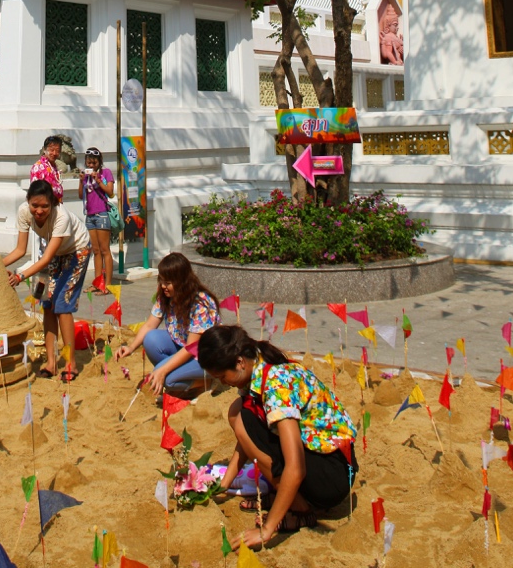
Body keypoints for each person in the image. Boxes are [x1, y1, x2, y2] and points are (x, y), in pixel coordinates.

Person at [197, 325, 358, 549]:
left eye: (222, 377)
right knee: (239, 412)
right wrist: (224, 483)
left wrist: (266, 530)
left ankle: (300, 509)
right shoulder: (257, 364)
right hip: (322, 458)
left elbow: (296, 467)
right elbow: (246, 439)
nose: (223, 383)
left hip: (333, 474)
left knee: (242, 418)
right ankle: (289, 497)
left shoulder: (276, 384)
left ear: (239, 362)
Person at [3, 178, 90, 381]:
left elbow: (47, 258)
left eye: (44, 206)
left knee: (63, 304)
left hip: (77, 250)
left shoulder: (61, 217)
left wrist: (20, 276)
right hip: (53, 253)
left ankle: (71, 364)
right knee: (47, 302)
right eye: (35, 206)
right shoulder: (24, 212)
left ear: (53, 203)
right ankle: (51, 363)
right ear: (28, 202)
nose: (39, 211)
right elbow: (20, 250)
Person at [116, 251, 219, 396]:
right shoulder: (165, 296)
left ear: (181, 282)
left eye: (168, 283)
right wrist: (131, 347)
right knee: (151, 339)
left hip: (204, 356)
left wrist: (163, 370)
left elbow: (191, 348)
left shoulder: (199, 304)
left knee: (167, 379)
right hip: (182, 346)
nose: (163, 286)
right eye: (161, 281)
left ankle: (204, 382)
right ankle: (181, 378)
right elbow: (149, 325)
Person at [79, 147, 114, 291]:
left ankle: (108, 284)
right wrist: (81, 181)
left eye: (94, 163)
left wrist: (99, 181)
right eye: (89, 163)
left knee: (105, 250)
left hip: (102, 214)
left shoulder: (106, 173)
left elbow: (110, 193)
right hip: (90, 215)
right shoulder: (86, 176)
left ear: (99, 162)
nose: (91, 166)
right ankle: (97, 283)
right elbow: (81, 196)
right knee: (96, 251)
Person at [30, 135, 65, 201]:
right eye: (52, 150)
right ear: (45, 150)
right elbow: (36, 191)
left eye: (57, 151)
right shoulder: (38, 167)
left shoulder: (53, 166)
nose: (54, 153)